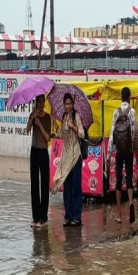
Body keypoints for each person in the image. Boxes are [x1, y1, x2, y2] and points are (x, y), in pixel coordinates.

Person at [51, 92, 85, 227]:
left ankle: (77, 217)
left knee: (76, 186)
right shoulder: (64, 117)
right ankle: (68, 216)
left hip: (75, 155)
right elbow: (60, 135)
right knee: (67, 186)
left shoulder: (76, 117)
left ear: (73, 104)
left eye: (70, 103)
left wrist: (73, 126)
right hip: (65, 156)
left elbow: (82, 134)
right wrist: (57, 126)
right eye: (66, 104)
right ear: (64, 105)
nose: (68, 106)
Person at [109, 86, 137, 223]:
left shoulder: (116, 112)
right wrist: (133, 149)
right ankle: (131, 201)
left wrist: (109, 154)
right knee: (130, 178)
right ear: (129, 97)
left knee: (118, 181)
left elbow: (111, 134)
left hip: (118, 150)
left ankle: (119, 214)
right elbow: (133, 133)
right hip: (129, 150)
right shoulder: (132, 112)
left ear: (121, 97)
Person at [26, 95, 52, 227]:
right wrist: (32, 118)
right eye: (38, 101)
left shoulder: (47, 117)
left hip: (43, 152)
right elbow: (27, 130)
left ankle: (43, 217)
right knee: (34, 184)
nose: (40, 104)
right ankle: (35, 217)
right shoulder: (33, 115)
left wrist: (39, 124)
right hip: (34, 151)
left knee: (44, 184)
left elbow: (47, 138)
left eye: (42, 101)